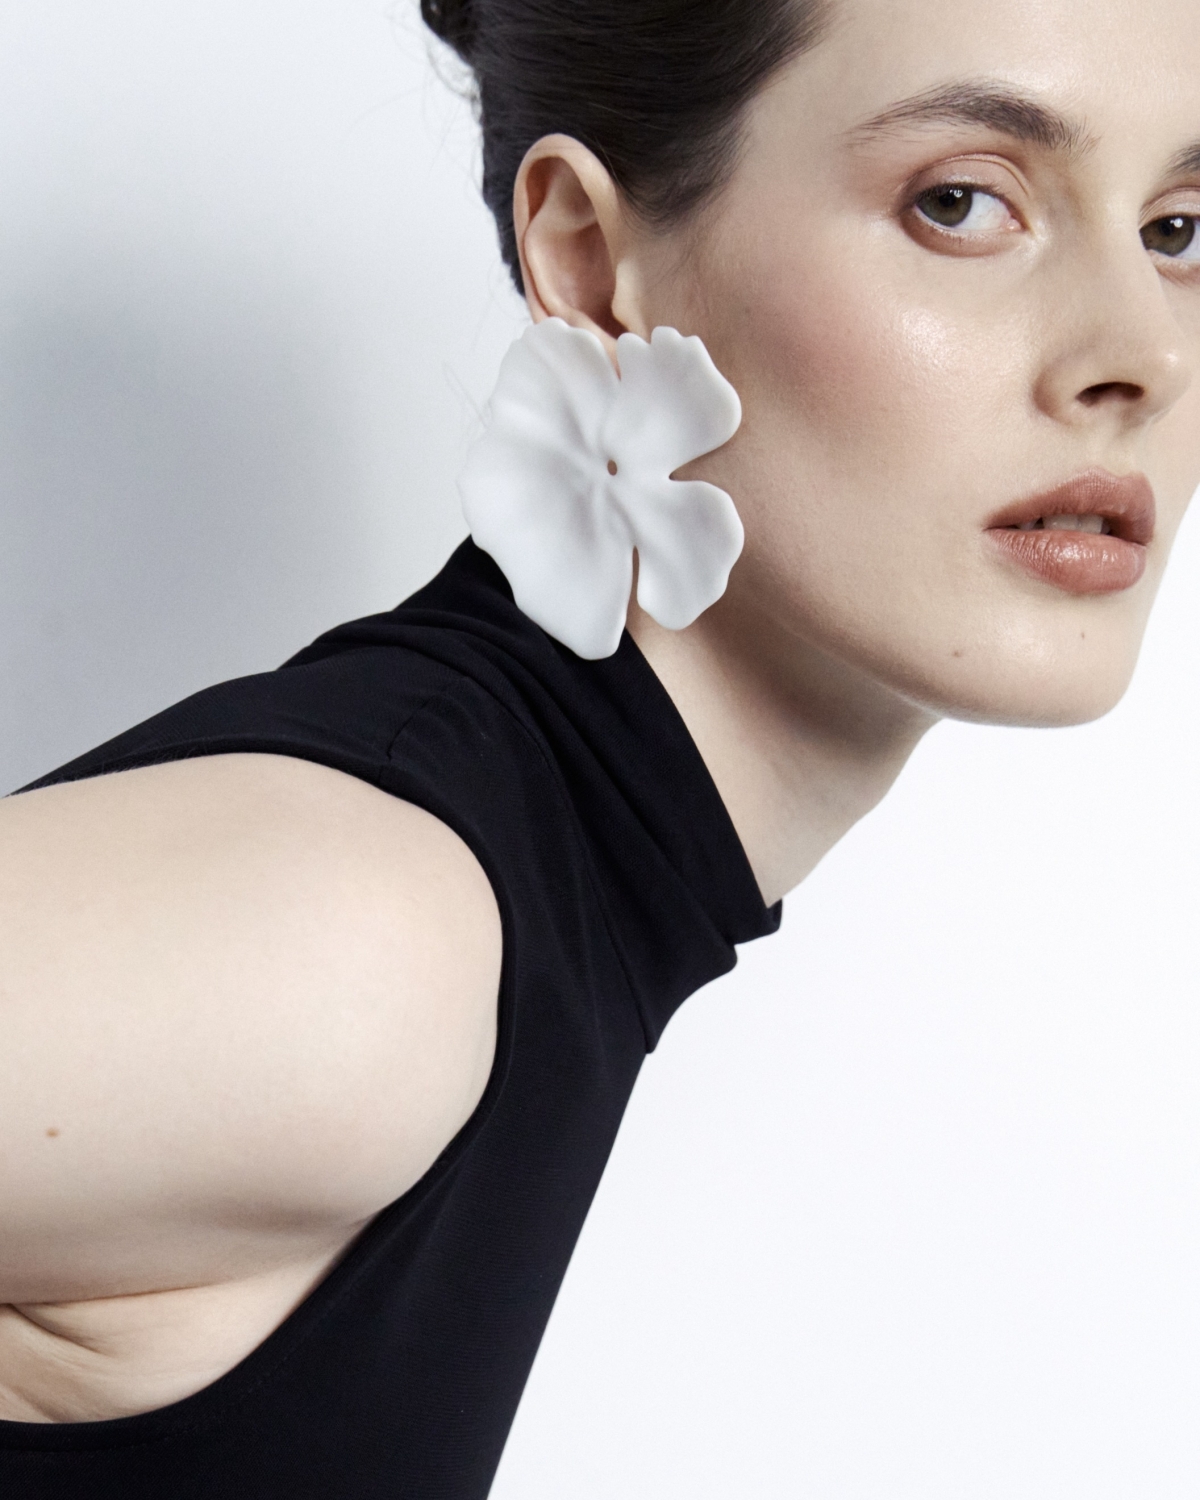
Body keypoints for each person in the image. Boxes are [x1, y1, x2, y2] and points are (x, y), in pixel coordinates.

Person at [2, 0, 1198, 1493]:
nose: (1142, 352)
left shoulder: (526, 908)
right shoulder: (365, 936)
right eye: (960, 203)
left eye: (1179, 230)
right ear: (584, 261)